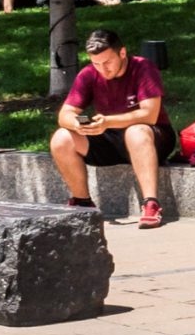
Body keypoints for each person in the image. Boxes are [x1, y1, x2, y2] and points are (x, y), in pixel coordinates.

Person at [51, 29, 175, 228]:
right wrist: (79, 124)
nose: (102, 69)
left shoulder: (143, 67)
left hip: (152, 137)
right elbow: (65, 114)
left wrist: (108, 121)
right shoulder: (88, 74)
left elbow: (149, 114)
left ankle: (151, 203)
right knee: (61, 138)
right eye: (96, 63)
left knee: (136, 131)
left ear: (122, 53)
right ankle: (82, 202)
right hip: (110, 137)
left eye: (107, 62)